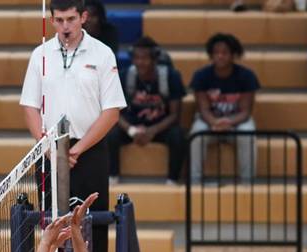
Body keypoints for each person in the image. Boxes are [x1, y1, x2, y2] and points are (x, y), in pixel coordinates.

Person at [20, 0, 126, 252]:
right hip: (49, 152)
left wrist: (75, 151)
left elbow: (112, 111)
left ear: (84, 17)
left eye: (71, 19)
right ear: (52, 21)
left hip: (89, 152)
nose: (65, 26)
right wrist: (47, 149)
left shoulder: (102, 54)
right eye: (59, 20)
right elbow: (30, 106)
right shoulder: (40, 55)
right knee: (51, 225)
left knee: (92, 226)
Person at [107, 36, 187, 184]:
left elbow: (175, 115)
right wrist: (131, 130)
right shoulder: (125, 75)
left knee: (178, 135)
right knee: (111, 134)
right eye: (136, 58)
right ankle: (112, 177)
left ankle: (172, 180)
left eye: (144, 58)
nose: (139, 62)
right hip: (133, 126)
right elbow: (114, 111)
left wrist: (152, 131)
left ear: (155, 59)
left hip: (160, 127)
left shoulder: (171, 76)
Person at [189, 33, 260, 184]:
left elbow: (246, 111)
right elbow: (203, 109)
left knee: (247, 134)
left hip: (237, 121)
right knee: (196, 134)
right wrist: (214, 123)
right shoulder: (201, 76)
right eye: (216, 53)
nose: (220, 56)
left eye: (224, 53)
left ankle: (248, 183)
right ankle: (195, 181)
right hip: (209, 121)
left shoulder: (247, 76)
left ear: (233, 54)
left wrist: (228, 122)